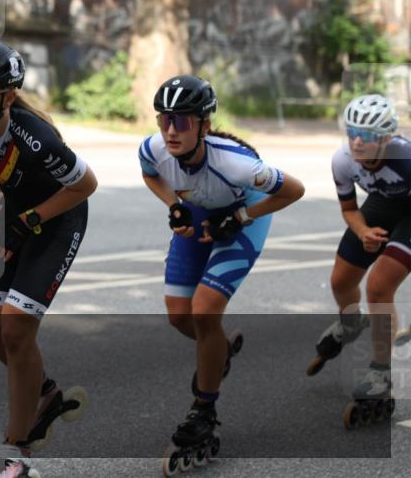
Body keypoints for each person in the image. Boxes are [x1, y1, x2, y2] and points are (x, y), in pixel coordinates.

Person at [0, 41, 98, 478]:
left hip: (57, 216)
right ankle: (43, 392)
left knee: (16, 329)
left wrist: (27, 221)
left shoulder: (35, 136)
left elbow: (86, 186)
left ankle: (18, 450)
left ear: (7, 97)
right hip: (10, 214)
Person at [138, 75, 304, 471]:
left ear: (204, 125)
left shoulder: (237, 163)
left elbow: (293, 189)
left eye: (183, 121)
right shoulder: (153, 148)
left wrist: (243, 216)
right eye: (164, 120)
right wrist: (173, 205)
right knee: (180, 316)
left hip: (244, 213)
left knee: (205, 310)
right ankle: (219, 351)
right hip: (199, 212)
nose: (171, 130)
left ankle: (203, 412)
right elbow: (150, 173)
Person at [311, 95, 409, 412]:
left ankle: (380, 374)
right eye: (351, 131)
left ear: (387, 137)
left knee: (379, 287)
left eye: (366, 135)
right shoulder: (342, 160)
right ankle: (351, 322)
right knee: (341, 281)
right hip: (383, 203)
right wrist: (363, 231)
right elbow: (350, 208)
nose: (357, 141)